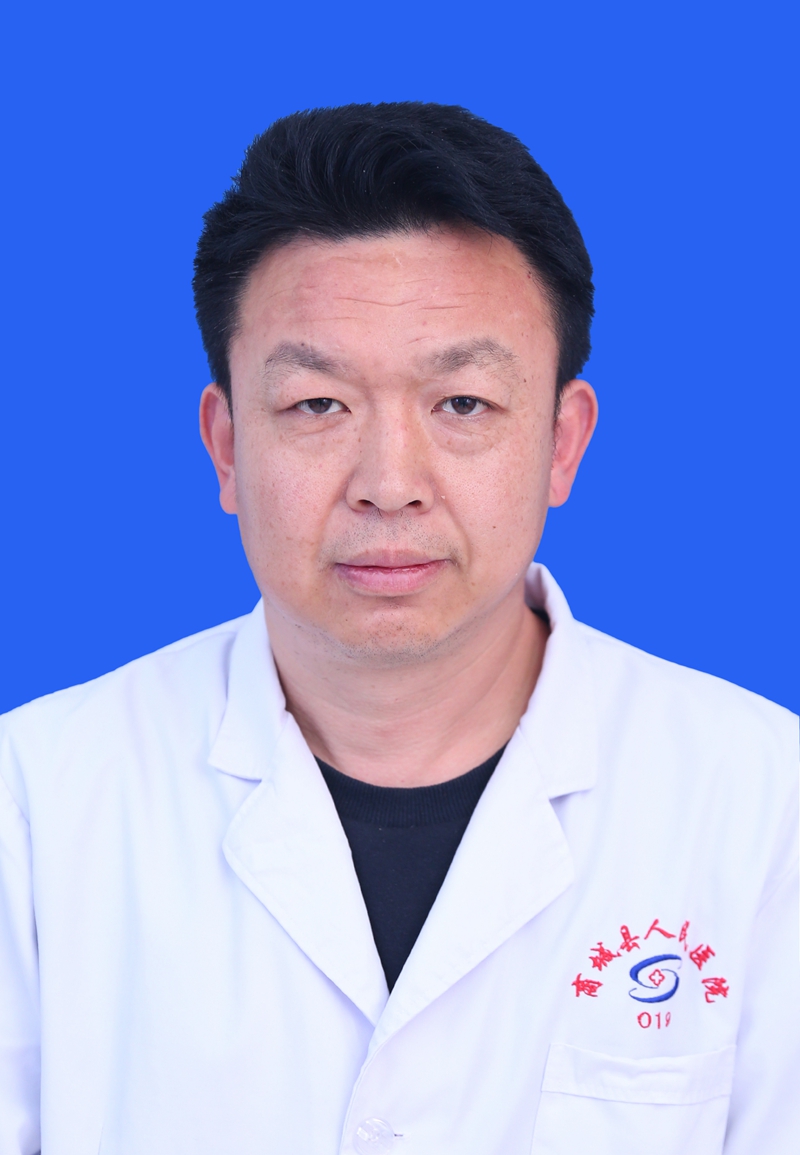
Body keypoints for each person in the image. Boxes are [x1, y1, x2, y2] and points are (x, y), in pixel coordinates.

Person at [0, 102, 797, 1155]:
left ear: (561, 442)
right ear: (226, 446)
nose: (388, 483)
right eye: (317, 405)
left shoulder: (764, 806)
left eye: (461, 404)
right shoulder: (34, 806)